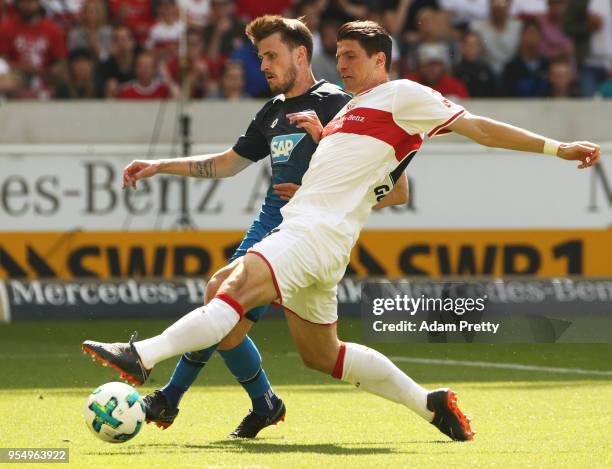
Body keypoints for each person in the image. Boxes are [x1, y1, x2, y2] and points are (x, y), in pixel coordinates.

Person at [83, 19, 600, 443]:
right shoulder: (346, 113)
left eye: (351, 55)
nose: (343, 65)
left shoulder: (404, 94)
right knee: (321, 355)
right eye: (340, 55)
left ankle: (142, 355)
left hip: (311, 233)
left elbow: (481, 129)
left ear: (381, 59)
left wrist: (560, 148)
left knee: (229, 289)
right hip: (324, 240)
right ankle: (429, 403)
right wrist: (324, 158)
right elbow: (372, 180)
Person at [114, 17, 364, 439]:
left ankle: (175, 396)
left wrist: (311, 188)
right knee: (224, 317)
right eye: (260, 56)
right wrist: (161, 166)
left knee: (220, 302)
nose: (263, 65)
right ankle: (254, 404)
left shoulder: (336, 104)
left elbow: (378, 181)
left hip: (307, 235)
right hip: (268, 228)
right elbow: (228, 163)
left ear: (300, 55)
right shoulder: (271, 112)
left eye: (272, 55)